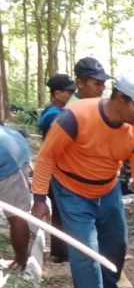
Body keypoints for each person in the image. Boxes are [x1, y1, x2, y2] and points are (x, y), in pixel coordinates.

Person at [30, 77, 134, 288]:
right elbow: (47, 156)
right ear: (120, 98)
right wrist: (39, 198)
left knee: (116, 243)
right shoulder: (75, 117)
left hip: (108, 188)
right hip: (71, 189)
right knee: (85, 248)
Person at [38, 73, 76, 262]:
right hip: (57, 169)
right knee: (63, 210)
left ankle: (61, 251)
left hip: (57, 168)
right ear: (57, 93)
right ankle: (62, 252)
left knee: (61, 211)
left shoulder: (53, 111)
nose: (72, 95)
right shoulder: (54, 115)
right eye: (69, 92)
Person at [0, 124, 34, 272]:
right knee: (17, 215)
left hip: (9, 167)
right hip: (15, 159)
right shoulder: (11, 133)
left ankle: (20, 262)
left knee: (17, 216)